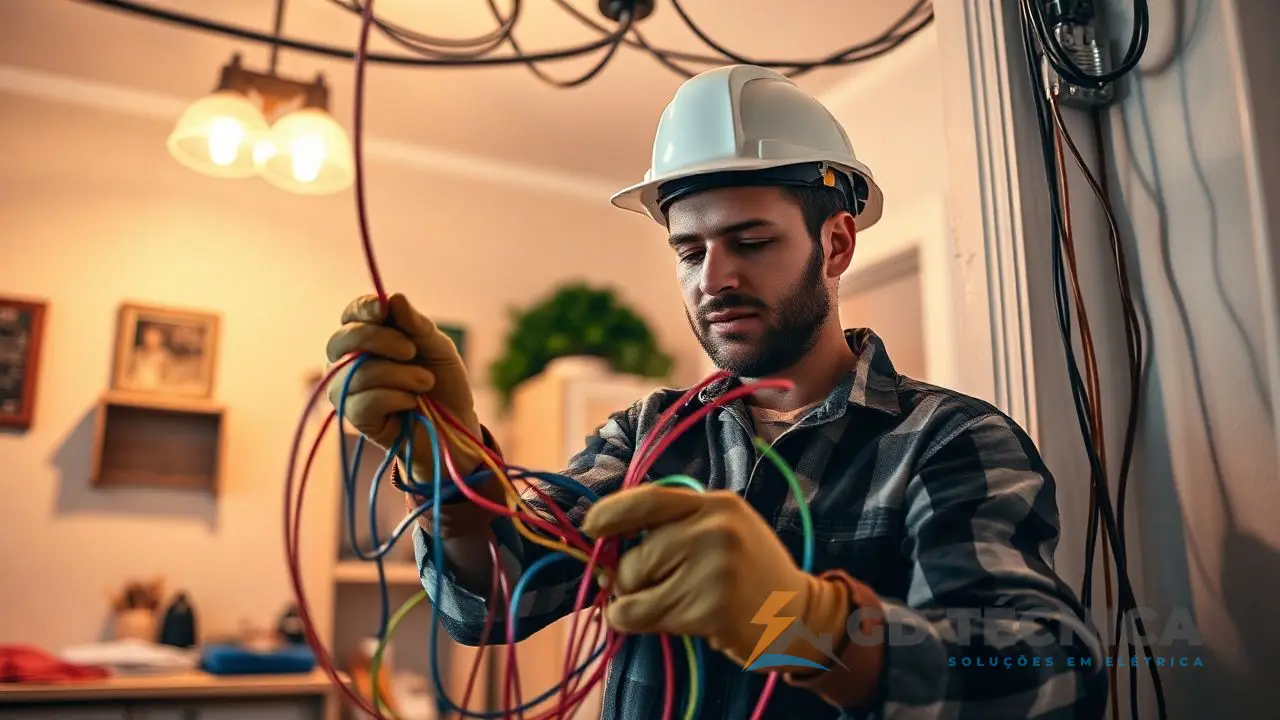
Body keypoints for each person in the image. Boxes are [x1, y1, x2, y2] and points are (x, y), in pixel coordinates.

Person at [325, 65, 1108, 720]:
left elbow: (1055, 674)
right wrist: (451, 471)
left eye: (751, 241)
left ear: (836, 243)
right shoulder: (648, 435)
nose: (715, 279)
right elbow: (491, 601)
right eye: (689, 251)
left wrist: (812, 627)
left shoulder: (949, 440)